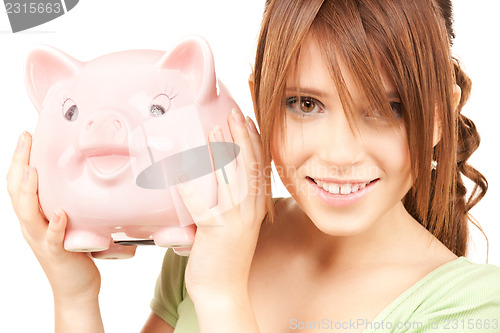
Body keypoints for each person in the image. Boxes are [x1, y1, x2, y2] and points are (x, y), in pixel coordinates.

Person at [7, 0, 500, 332]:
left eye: (387, 108)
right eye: (305, 104)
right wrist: (74, 295)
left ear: (438, 117)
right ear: (259, 101)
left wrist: (222, 294)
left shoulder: (473, 308)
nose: (340, 153)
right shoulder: (220, 231)